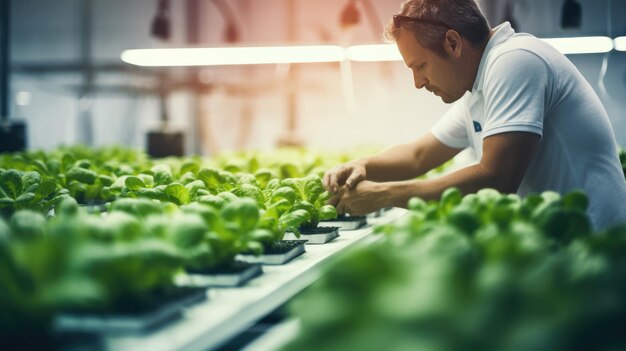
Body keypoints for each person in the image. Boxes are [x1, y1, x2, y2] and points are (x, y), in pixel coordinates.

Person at [323, 0, 626, 230]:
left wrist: (386, 194)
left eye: (420, 66)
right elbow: (418, 155)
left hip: (597, 238)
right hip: (566, 236)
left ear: (453, 43)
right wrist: (362, 165)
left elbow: (497, 176)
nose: (417, 83)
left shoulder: (515, 61)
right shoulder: (478, 89)